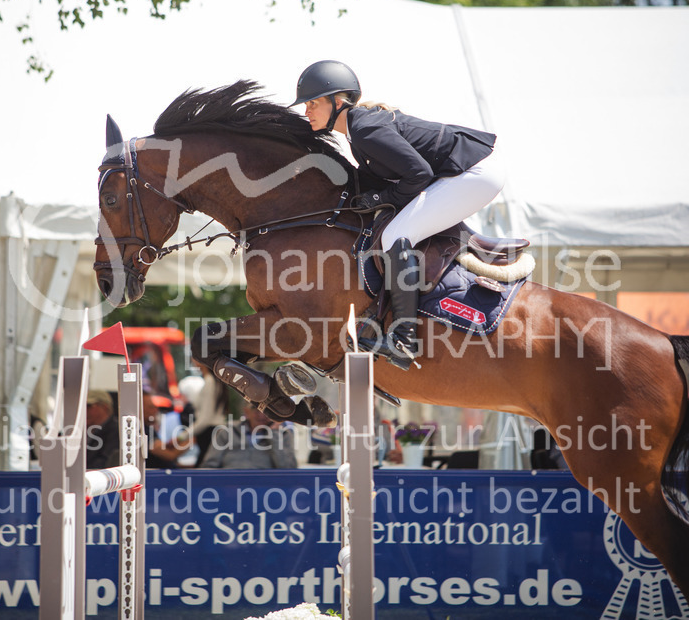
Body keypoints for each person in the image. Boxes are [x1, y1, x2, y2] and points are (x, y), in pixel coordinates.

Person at [291, 60, 503, 367]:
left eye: (312, 103)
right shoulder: (357, 131)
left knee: (395, 235)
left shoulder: (365, 129)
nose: (306, 111)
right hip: (461, 173)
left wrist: (378, 198)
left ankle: (404, 339)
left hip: (473, 174)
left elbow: (418, 174)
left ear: (337, 102)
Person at [200, 403, 298, 469]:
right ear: (246, 412)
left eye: (267, 411)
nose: (261, 415)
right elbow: (209, 465)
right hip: (229, 488)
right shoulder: (227, 431)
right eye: (256, 409)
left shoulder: (283, 434)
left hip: (266, 489)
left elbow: (288, 469)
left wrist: (275, 435)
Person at [85, 388, 120, 469]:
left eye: (88, 406)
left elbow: (105, 462)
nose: (85, 410)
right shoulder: (83, 432)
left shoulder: (116, 432)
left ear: (104, 407)